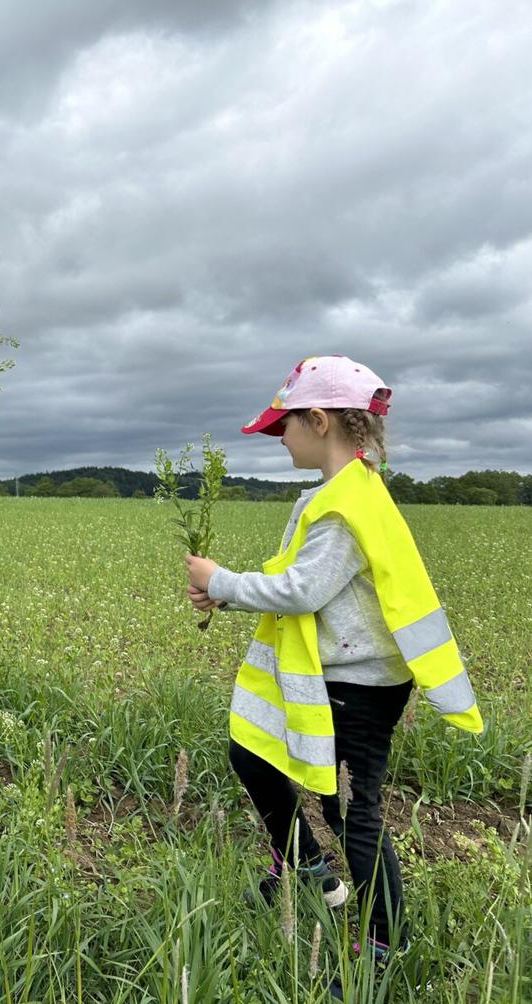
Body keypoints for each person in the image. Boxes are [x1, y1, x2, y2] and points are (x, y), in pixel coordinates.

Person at [184, 355, 483, 992]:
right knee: (251, 751)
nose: (279, 438)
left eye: (284, 426)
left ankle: (384, 943)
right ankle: (305, 864)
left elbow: (303, 589)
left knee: (350, 808)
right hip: (336, 673)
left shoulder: (346, 505)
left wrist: (222, 581)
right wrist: (228, 594)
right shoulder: (344, 493)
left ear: (318, 421)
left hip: (361, 684)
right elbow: (302, 579)